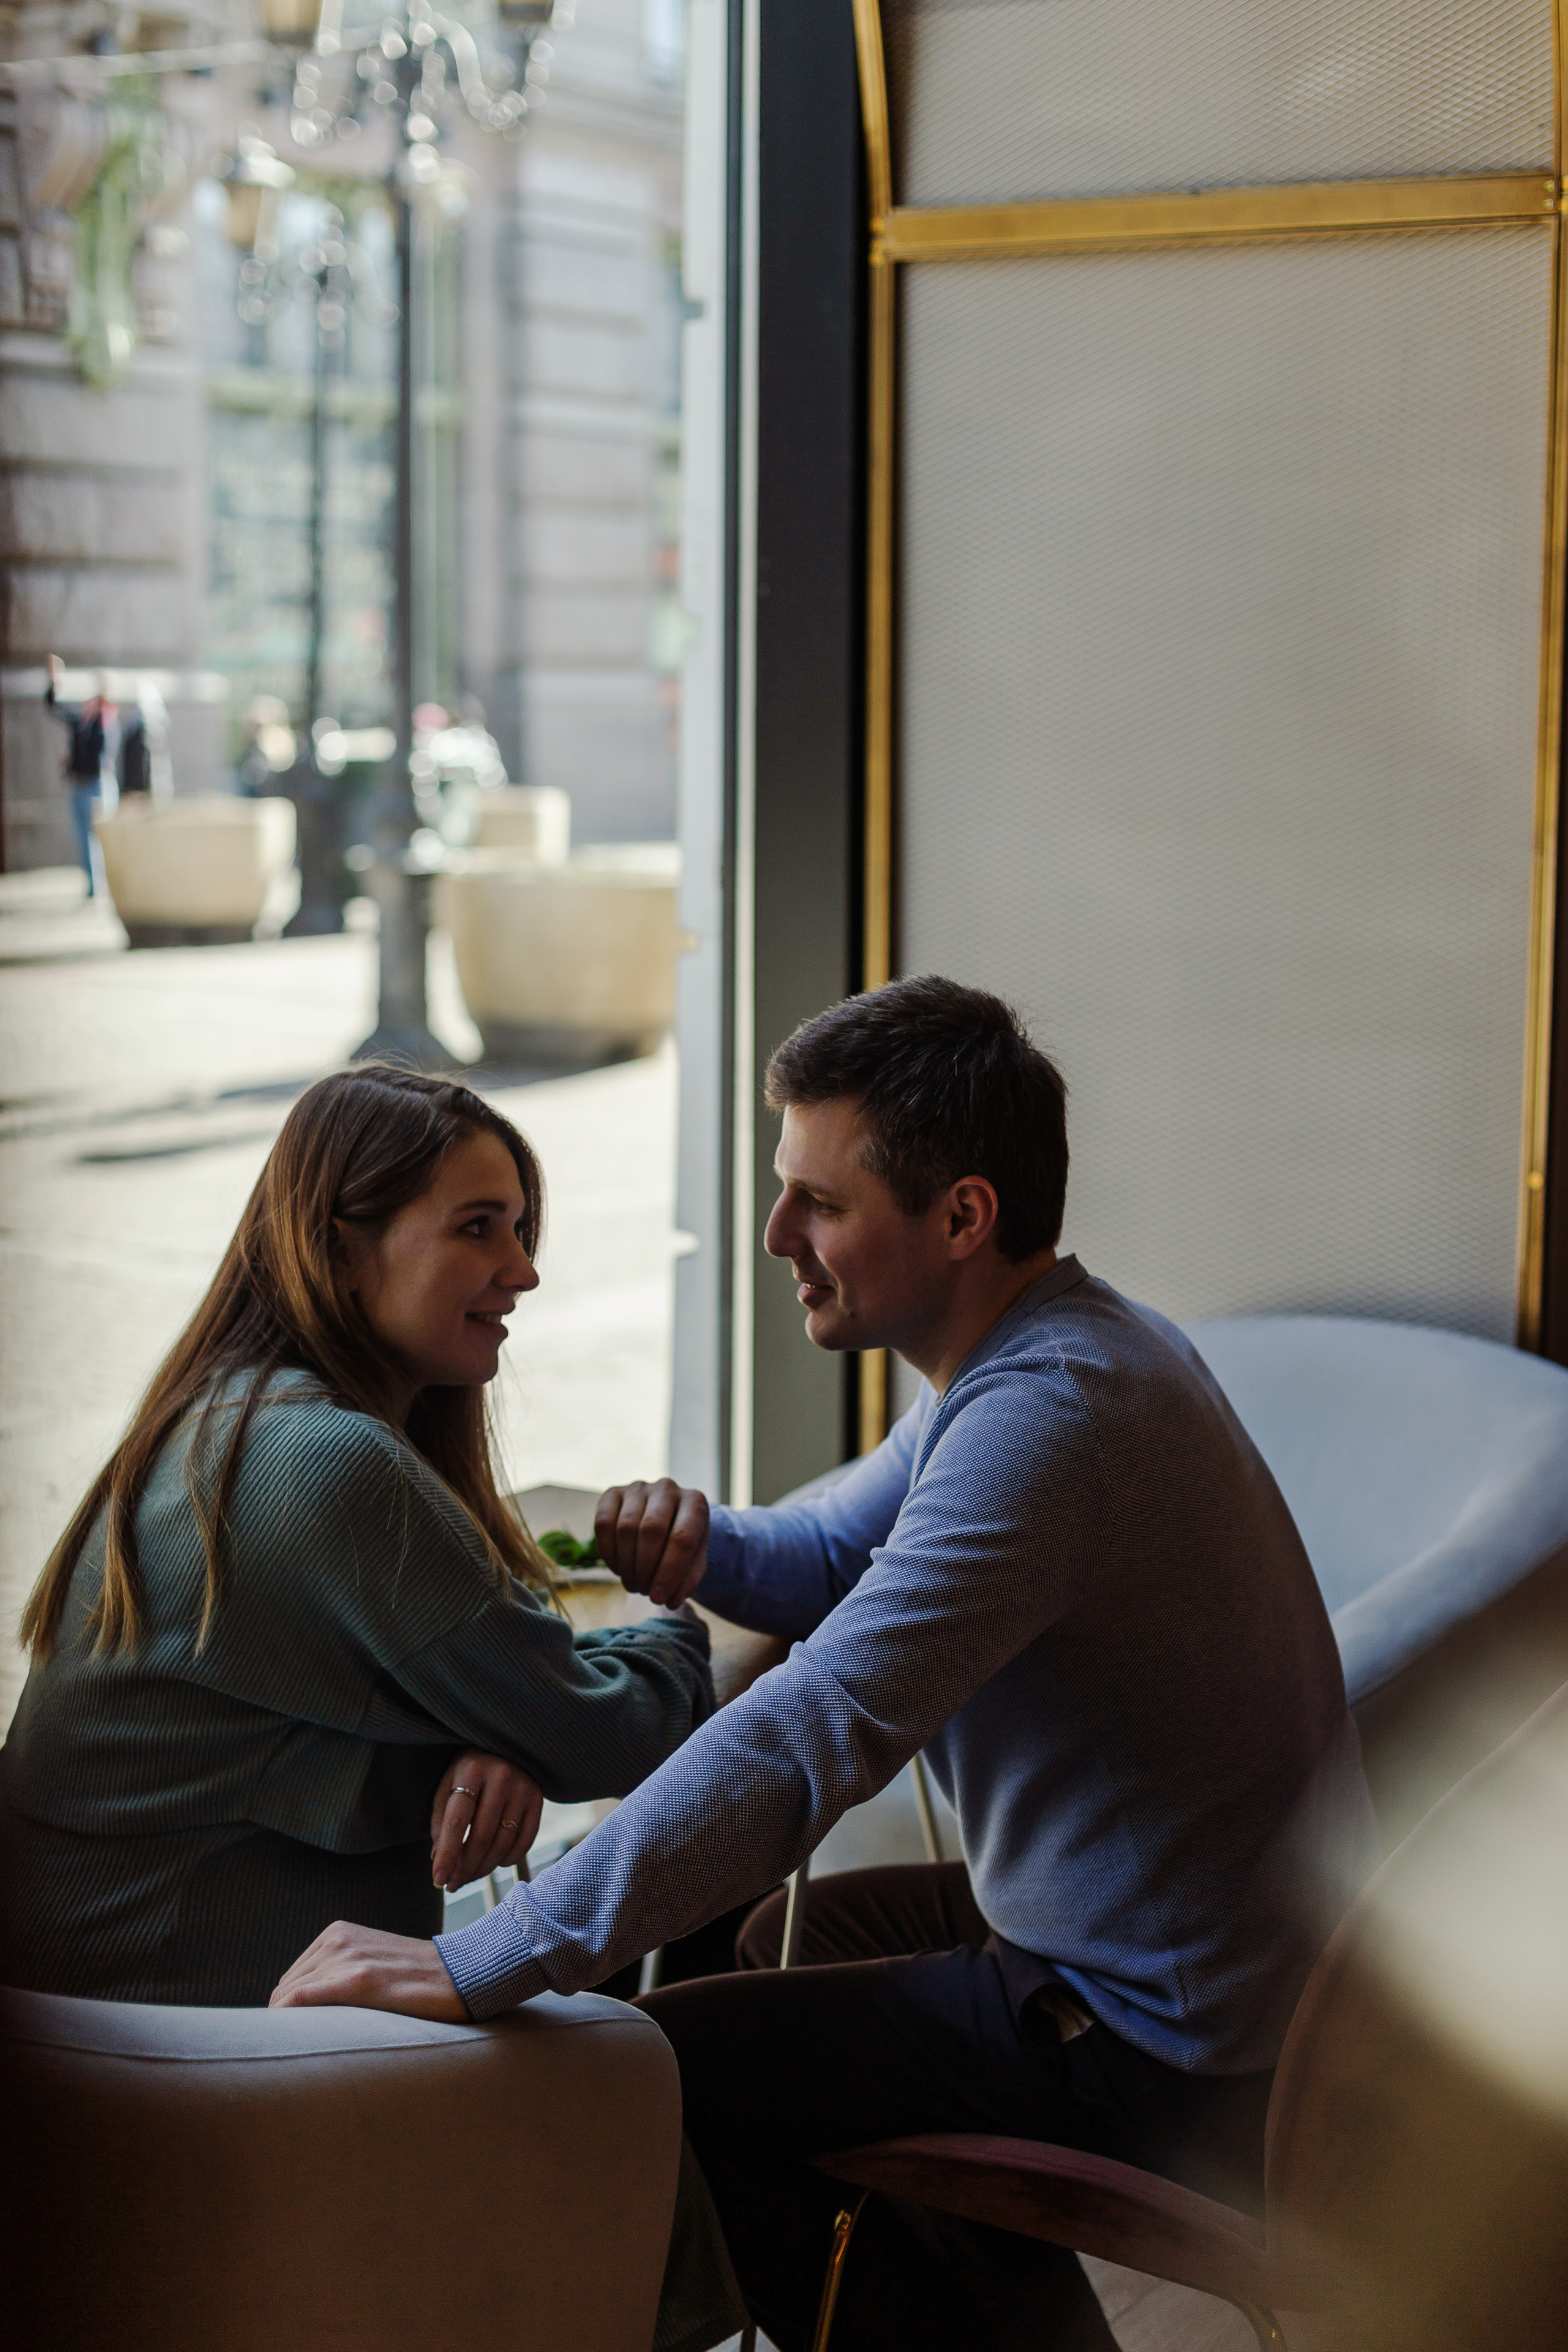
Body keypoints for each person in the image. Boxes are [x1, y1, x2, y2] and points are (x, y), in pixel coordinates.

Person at [271, 979, 1379, 2352]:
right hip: (1199, 1967)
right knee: (757, 1948)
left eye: (819, 1203)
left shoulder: (1053, 1423)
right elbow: (827, 1558)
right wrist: (697, 1543)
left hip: (1162, 2049)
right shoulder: (1052, 1352)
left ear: (961, 1216)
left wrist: (491, 1956)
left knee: (667, 2077)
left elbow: (818, 1726)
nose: (774, 1234)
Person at [43, 654, 115, 895]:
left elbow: (100, 756)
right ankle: (92, 885)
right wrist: (54, 681)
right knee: (82, 838)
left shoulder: (102, 724)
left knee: (95, 838)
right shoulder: (80, 723)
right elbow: (54, 708)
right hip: (79, 785)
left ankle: (100, 885)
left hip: (95, 786)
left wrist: (74, 760)